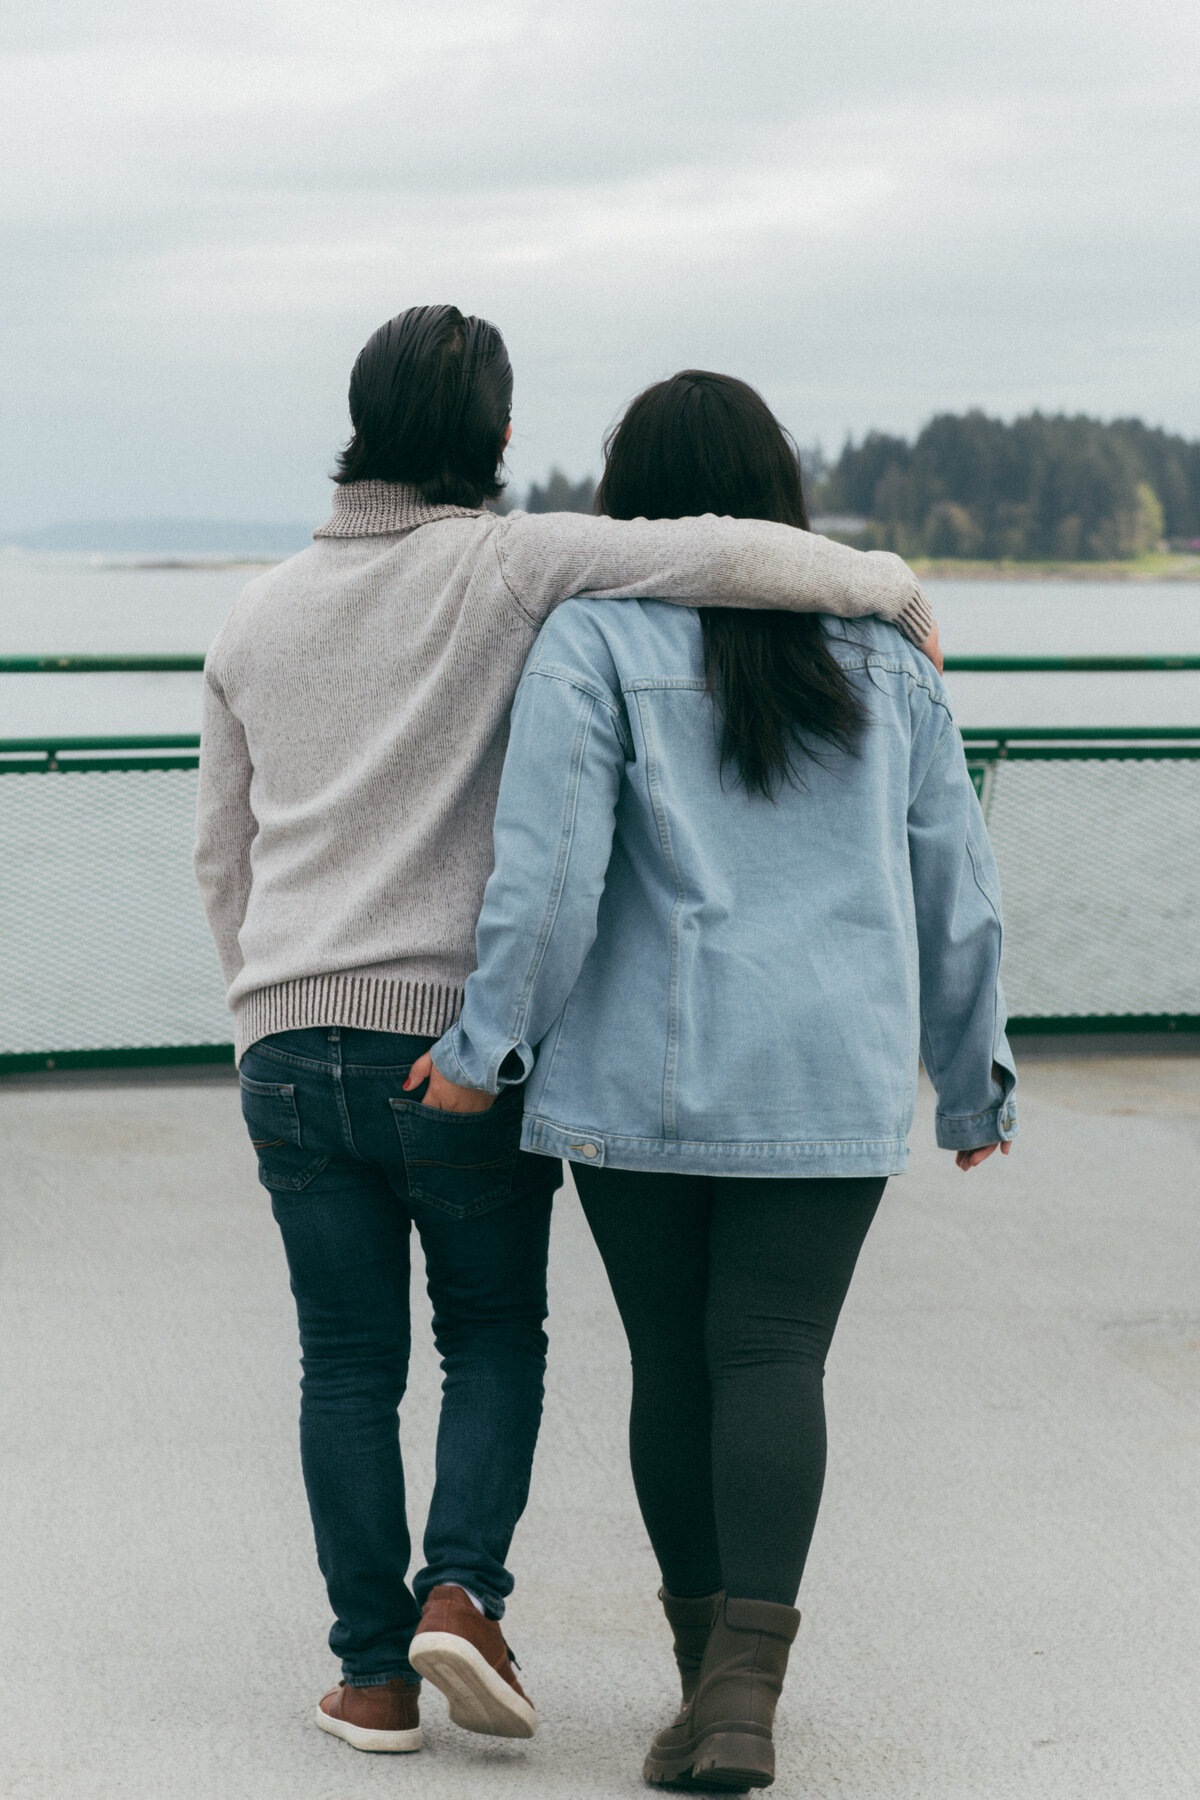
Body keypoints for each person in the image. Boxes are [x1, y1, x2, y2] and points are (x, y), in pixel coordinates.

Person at [193, 308, 939, 1760]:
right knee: (488, 1337)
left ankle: (372, 1678)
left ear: (354, 422)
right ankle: (461, 1593)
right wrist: (886, 581)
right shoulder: (512, 561)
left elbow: (221, 855)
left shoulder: (253, 611)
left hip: (288, 1043)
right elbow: (725, 552)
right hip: (451, 1049)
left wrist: (262, 1012)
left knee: (342, 1366)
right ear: (503, 440)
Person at [413, 370, 1016, 1790]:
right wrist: (973, 1079)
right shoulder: (887, 658)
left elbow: (548, 884)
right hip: (832, 1082)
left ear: (634, 502)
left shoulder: (594, 640)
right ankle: (737, 1699)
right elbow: (961, 892)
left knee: (678, 1370)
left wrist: (482, 1048)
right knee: (775, 1360)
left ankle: (711, 1688)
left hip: (642, 1087)